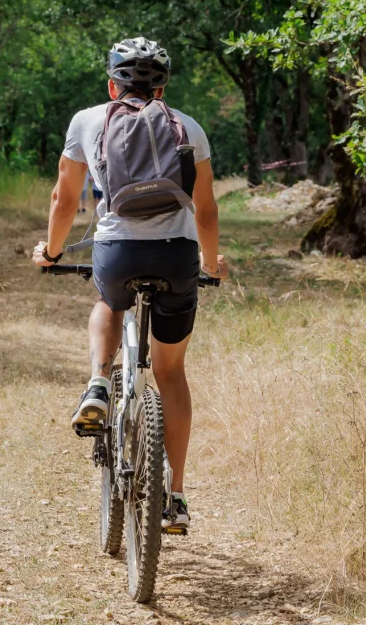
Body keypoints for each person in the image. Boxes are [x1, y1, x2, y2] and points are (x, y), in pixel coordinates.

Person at [32, 37, 227, 530]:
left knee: (108, 301)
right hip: (178, 257)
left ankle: (99, 381)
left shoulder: (87, 121)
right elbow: (205, 209)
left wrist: (52, 252)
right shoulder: (191, 128)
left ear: (111, 82)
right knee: (171, 373)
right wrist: (211, 261)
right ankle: (176, 496)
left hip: (117, 252)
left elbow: (63, 198)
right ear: (163, 87)